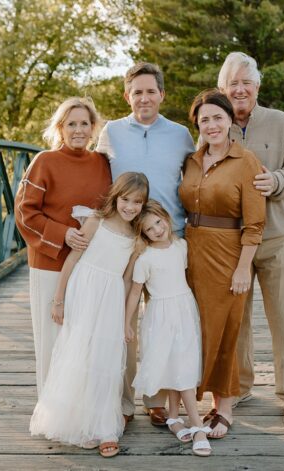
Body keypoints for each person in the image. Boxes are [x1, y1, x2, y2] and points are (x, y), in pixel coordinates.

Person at [97, 62, 196, 426]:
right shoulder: (110, 131)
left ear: (162, 95)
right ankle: (124, 401)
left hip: (168, 239)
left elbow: (195, 181)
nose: (144, 98)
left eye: (150, 91)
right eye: (137, 92)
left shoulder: (181, 135)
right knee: (122, 321)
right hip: (125, 239)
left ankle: (157, 399)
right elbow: (96, 179)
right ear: (127, 96)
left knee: (166, 322)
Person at [29, 172, 149, 458]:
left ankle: (104, 427)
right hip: (83, 291)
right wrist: (59, 300)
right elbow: (73, 259)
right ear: (116, 197)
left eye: (137, 202)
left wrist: (124, 319)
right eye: (126, 200)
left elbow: (126, 280)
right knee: (79, 355)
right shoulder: (97, 221)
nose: (130, 207)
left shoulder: (135, 238)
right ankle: (81, 424)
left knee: (104, 360)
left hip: (110, 298)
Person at [218, 52, 284, 425]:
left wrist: (277, 180)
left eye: (246, 83)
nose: (240, 90)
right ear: (222, 89)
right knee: (236, 320)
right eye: (233, 84)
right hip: (232, 241)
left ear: (257, 86)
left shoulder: (281, 122)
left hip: (277, 237)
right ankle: (239, 387)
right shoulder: (216, 123)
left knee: (283, 319)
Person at [180, 89, 266, 439]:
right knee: (194, 328)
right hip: (190, 252)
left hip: (227, 253)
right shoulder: (191, 160)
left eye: (218, 117)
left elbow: (255, 223)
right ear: (197, 125)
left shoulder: (246, 161)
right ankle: (188, 401)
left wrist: (244, 267)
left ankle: (225, 407)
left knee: (226, 329)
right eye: (205, 120)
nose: (212, 125)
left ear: (231, 120)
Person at [15, 97, 112, 394]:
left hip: (91, 265)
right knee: (52, 339)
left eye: (84, 123)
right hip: (50, 263)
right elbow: (24, 212)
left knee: (84, 340)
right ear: (60, 128)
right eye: (71, 124)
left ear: (93, 128)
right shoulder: (45, 161)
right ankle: (49, 406)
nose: (78, 130)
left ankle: (78, 407)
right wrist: (63, 234)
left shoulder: (103, 163)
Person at [126, 201, 211, 457]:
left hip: (184, 310)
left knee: (181, 363)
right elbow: (135, 293)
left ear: (165, 217)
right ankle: (197, 425)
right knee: (179, 366)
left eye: (158, 222)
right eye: (149, 229)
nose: (157, 230)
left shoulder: (181, 246)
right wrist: (126, 323)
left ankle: (174, 417)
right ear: (143, 235)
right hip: (161, 317)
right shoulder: (145, 259)